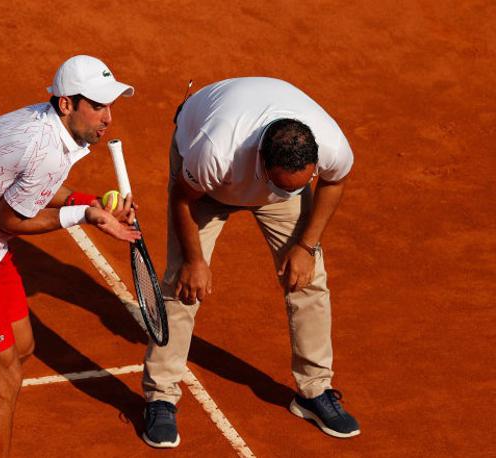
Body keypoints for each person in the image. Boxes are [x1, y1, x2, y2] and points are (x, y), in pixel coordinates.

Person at [0, 55, 139, 458]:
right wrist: (85, 215)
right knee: (4, 377)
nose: (107, 118)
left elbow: (34, 184)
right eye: (97, 105)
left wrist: (93, 203)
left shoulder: (46, 124)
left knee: (20, 347)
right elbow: (13, 219)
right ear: (67, 103)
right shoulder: (44, 145)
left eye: (110, 105)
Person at [141, 77, 360, 448]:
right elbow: (183, 198)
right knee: (183, 286)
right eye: (280, 184)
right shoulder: (214, 151)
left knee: (309, 280)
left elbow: (334, 184)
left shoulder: (329, 146)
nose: (287, 193)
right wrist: (194, 260)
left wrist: (306, 246)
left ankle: (313, 390)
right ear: (260, 159)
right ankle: (160, 396)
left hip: (254, 174)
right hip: (206, 192)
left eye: (299, 185)